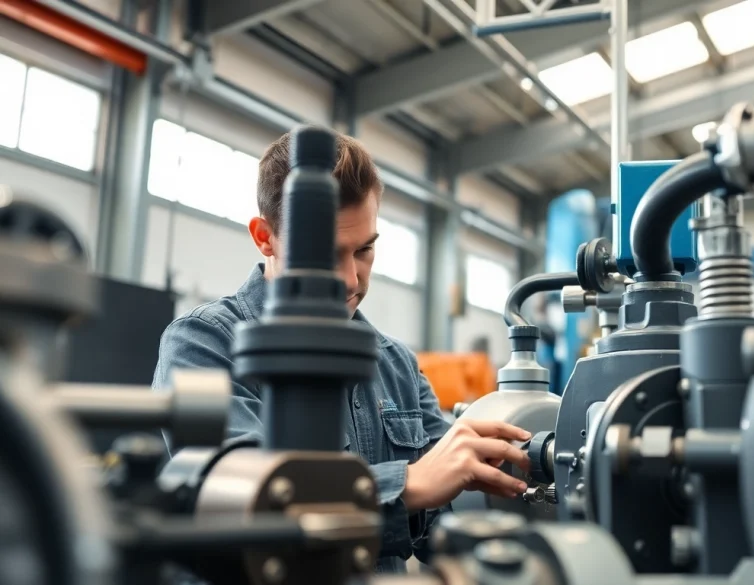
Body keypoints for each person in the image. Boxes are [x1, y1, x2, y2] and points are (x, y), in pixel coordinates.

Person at [152, 129, 532, 574]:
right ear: (265, 236)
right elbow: (247, 503)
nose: (352, 279)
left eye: (365, 250)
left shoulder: (396, 364)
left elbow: (444, 520)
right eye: (329, 254)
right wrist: (407, 484)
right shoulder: (202, 344)